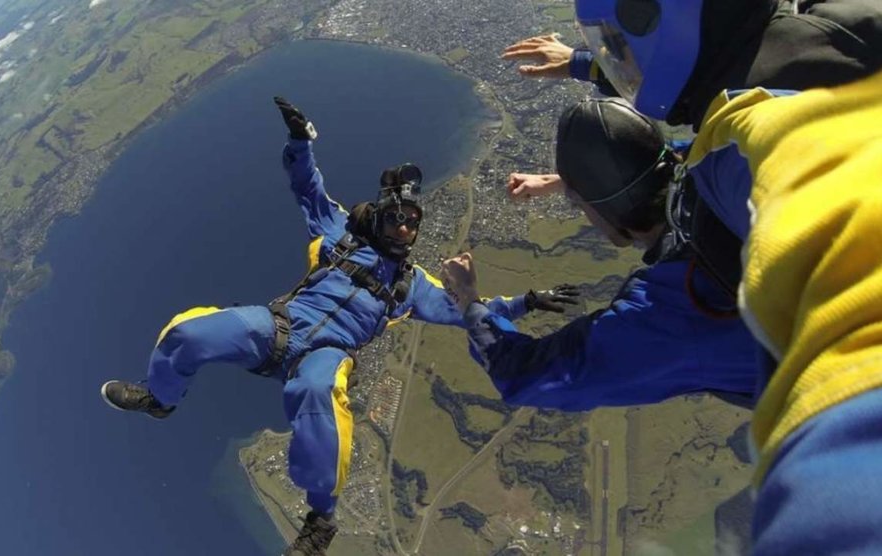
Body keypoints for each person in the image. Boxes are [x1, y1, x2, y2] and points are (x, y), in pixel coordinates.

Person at [99, 97, 576, 556]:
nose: (407, 228)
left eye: (414, 222)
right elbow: (308, 188)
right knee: (189, 332)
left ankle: (320, 522)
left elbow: (471, 311)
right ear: (381, 214)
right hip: (280, 325)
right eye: (399, 218)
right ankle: (160, 399)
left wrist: (525, 302)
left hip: (326, 351)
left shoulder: (414, 285)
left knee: (320, 399)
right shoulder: (340, 234)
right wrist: (301, 141)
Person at [508, 1, 882, 553]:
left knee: (734, 528)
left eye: (621, 41)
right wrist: (585, 69)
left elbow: (543, 373)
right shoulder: (831, 34)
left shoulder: (687, 285)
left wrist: (470, 306)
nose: (619, 60)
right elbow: (696, 143)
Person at [441, 97, 758, 411]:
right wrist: (567, 184)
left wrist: (469, 300)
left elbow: (521, 373)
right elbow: (654, 155)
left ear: (604, 206)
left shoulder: (676, 306)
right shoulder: (721, 153)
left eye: (578, 205)